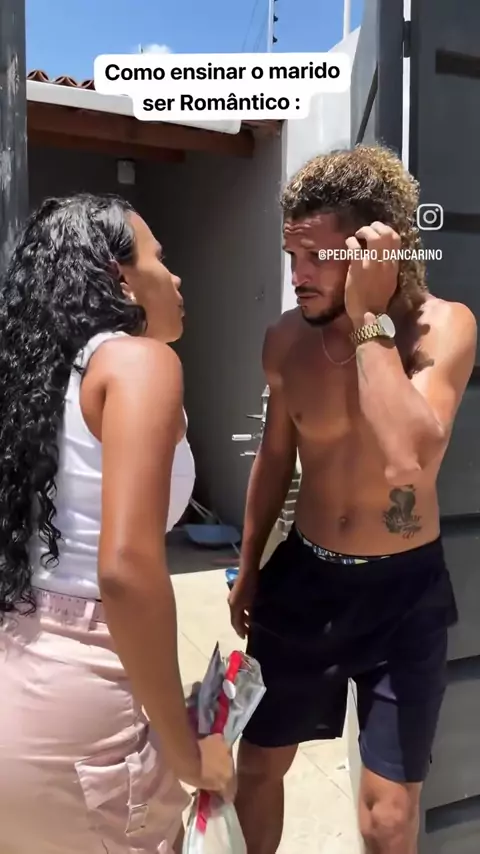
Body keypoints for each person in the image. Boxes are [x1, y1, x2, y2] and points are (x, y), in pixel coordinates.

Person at [229, 145, 477, 854]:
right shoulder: (287, 340)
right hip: (304, 582)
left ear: (376, 247)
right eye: (292, 256)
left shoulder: (443, 329)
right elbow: (275, 457)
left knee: (388, 820)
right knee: (257, 770)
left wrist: (369, 320)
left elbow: (409, 460)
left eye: (317, 258)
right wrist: (249, 563)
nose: (297, 276)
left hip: (403, 597)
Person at [0, 193, 234, 854]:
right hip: (82, 710)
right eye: (161, 259)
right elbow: (127, 572)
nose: (177, 278)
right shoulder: (137, 362)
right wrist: (186, 754)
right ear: (120, 277)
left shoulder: (34, 378)